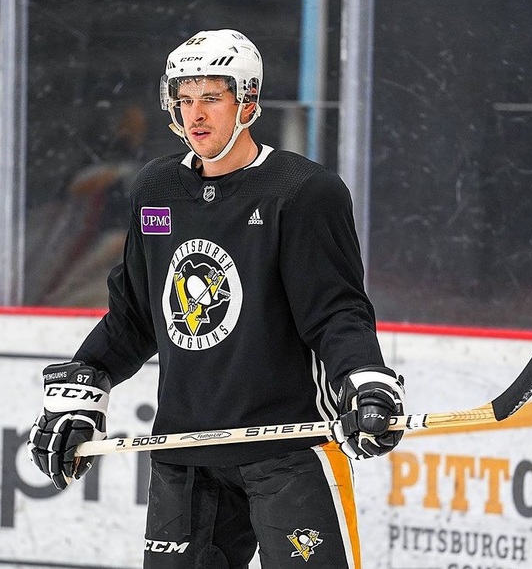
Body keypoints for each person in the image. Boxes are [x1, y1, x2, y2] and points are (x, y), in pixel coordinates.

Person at [27, 29, 406, 569]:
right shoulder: (157, 191)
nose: (195, 115)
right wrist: (86, 382)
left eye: (211, 97)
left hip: (286, 450)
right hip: (183, 454)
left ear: (247, 102)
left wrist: (363, 376)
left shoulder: (302, 192)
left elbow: (335, 312)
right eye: (184, 99)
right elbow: (136, 315)